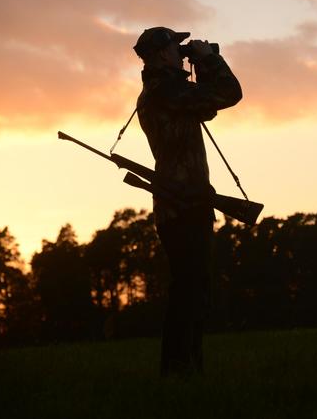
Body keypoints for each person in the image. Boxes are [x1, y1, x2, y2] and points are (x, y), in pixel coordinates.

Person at [133, 27, 242, 377]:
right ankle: (179, 370)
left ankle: (187, 369)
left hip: (185, 204)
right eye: (176, 46)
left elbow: (206, 109)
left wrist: (200, 66)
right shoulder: (166, 90)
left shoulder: (165, 91)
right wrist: (210, 59)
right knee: (188, 292)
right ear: (162, 53)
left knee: (193, 291)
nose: (182, 51)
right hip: (182, 205)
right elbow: (228, 94)